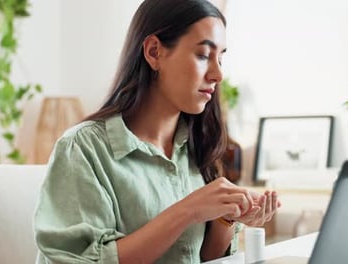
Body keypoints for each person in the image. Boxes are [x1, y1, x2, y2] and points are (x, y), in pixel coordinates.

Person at [33, 0, 280, 263]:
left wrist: (226, 215)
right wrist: (190, 210)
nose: (218, 74)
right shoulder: (82, 149)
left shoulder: (198, 148)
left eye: (220, 58)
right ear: (154, 52)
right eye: (203, 55)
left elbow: (204, 259)